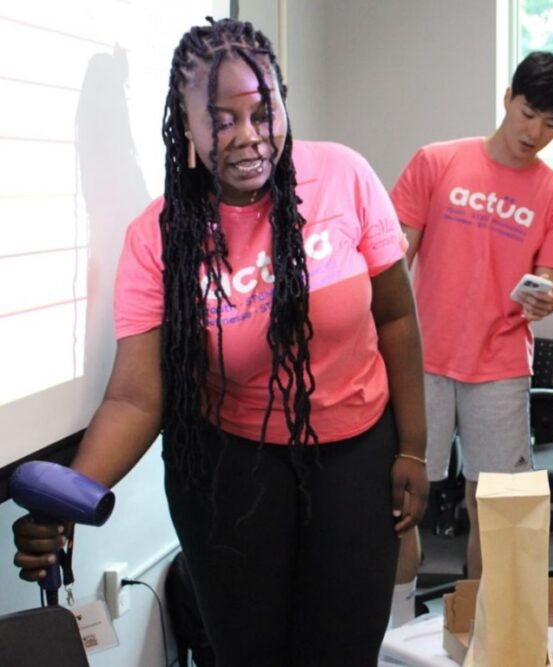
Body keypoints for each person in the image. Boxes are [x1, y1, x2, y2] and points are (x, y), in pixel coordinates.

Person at [11, 18, 427, 666]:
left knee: (342, 651)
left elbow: (397, 317)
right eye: (222, 119)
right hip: (232, 468)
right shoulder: (161, 235)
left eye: (263, 112)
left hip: (356, 455)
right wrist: (71, 495)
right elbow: (135, 397)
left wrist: (414, 448)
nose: (248, 136)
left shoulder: (343, 175)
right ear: (188, 126)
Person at [387, 51, 553, 624]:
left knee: (497, 511)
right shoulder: (437, 162)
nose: (535, 133)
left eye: (551, 124)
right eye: (528, 113)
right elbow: (397, 260)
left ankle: (487, 631)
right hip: (420, 359)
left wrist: (545, 293)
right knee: (401, 500)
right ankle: (395, 625)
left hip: (499, 366)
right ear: (507, 97)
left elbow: (549, 280)